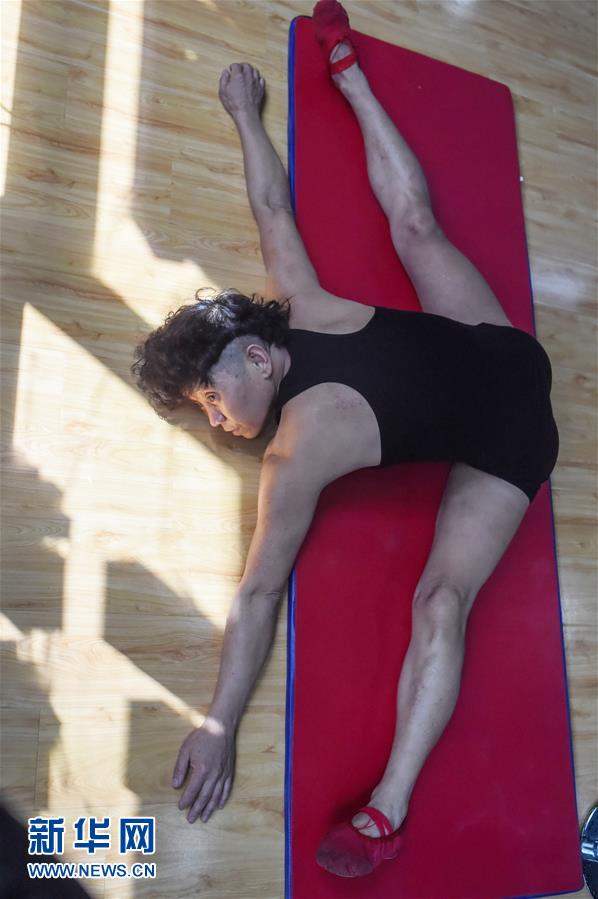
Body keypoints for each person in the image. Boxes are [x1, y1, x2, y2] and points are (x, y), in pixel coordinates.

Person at [130, 0, 559, 879]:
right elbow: (269, 207)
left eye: (211, 399)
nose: (218, 421)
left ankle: (350, 75)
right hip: (500, 385)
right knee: (440, 601)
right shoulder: (293, 328)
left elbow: (259, 591)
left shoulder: (297, 433)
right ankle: (385, 812)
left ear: (256, 355)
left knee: (416, 227)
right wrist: (243, 114)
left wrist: (219, 721)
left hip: (511, 405)